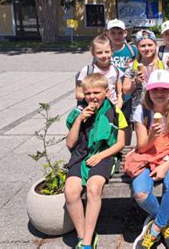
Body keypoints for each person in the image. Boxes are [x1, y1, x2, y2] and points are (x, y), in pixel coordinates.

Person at [124, 69, 169, 249]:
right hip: (147, 155)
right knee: (140, 193)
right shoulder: (141, 111)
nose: (159, 94)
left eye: (164, 89)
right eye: (155, 90)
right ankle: (166, 222)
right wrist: (152, 136)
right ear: (148, 91)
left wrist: (165, 167)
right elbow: (142, 147)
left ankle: (153, 231)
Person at [64, 73, 127, 249]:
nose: (92, 97)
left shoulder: (115, 112)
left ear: (106, 92)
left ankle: (86, 243)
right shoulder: (78, 112)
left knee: (93, 188)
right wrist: (79, 120)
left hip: (104, 155)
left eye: (96, 93)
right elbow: (70, 144)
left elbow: (120, 143)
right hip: (81, 155)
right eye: (88, 93)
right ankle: (83, 235)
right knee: (71, 192)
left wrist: (100, 156)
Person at [106, 18, 138, 144]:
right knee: (111, 121)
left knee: (126, 123)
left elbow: (138, 65)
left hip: (127, 95)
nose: (117, 36)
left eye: (119, 33)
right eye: (113, 33)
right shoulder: (105, 50)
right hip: (110, 96)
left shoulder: (132, 50)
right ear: (107, 34)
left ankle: (126, 145)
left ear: (125, 33)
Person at [122, 30, 165, 116]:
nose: (147, 48)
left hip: (159, 108)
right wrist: (136, 82)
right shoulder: (132, 67)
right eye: (142, 46)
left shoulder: (162, 65)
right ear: (137, 47)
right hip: (139, 109)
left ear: (155, 45)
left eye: (150, 45)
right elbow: (125, 90)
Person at [76, 35, 123, 109]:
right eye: (99, 53)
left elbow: (120, 93)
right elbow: (78, 94)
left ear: (112, 51)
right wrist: (94, 99)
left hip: (112, 109)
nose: (104, 55)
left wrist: (118, 107)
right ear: (93, 53)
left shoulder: (116, 70)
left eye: (107, 52)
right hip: (93, 109)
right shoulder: (88, 70)